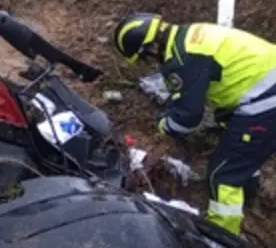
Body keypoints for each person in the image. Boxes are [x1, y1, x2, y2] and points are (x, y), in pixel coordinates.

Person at [113, 12, 276, 235]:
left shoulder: (180, 60)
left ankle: (225, 242)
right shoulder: (188, 34)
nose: (149, 63)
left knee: (223, 175)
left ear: (150, 47)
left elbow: (188, 118)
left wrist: (164, 125)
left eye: (145, 57)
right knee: (234, 136)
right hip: (262, 88)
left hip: (266, 100)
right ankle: (248, 193)